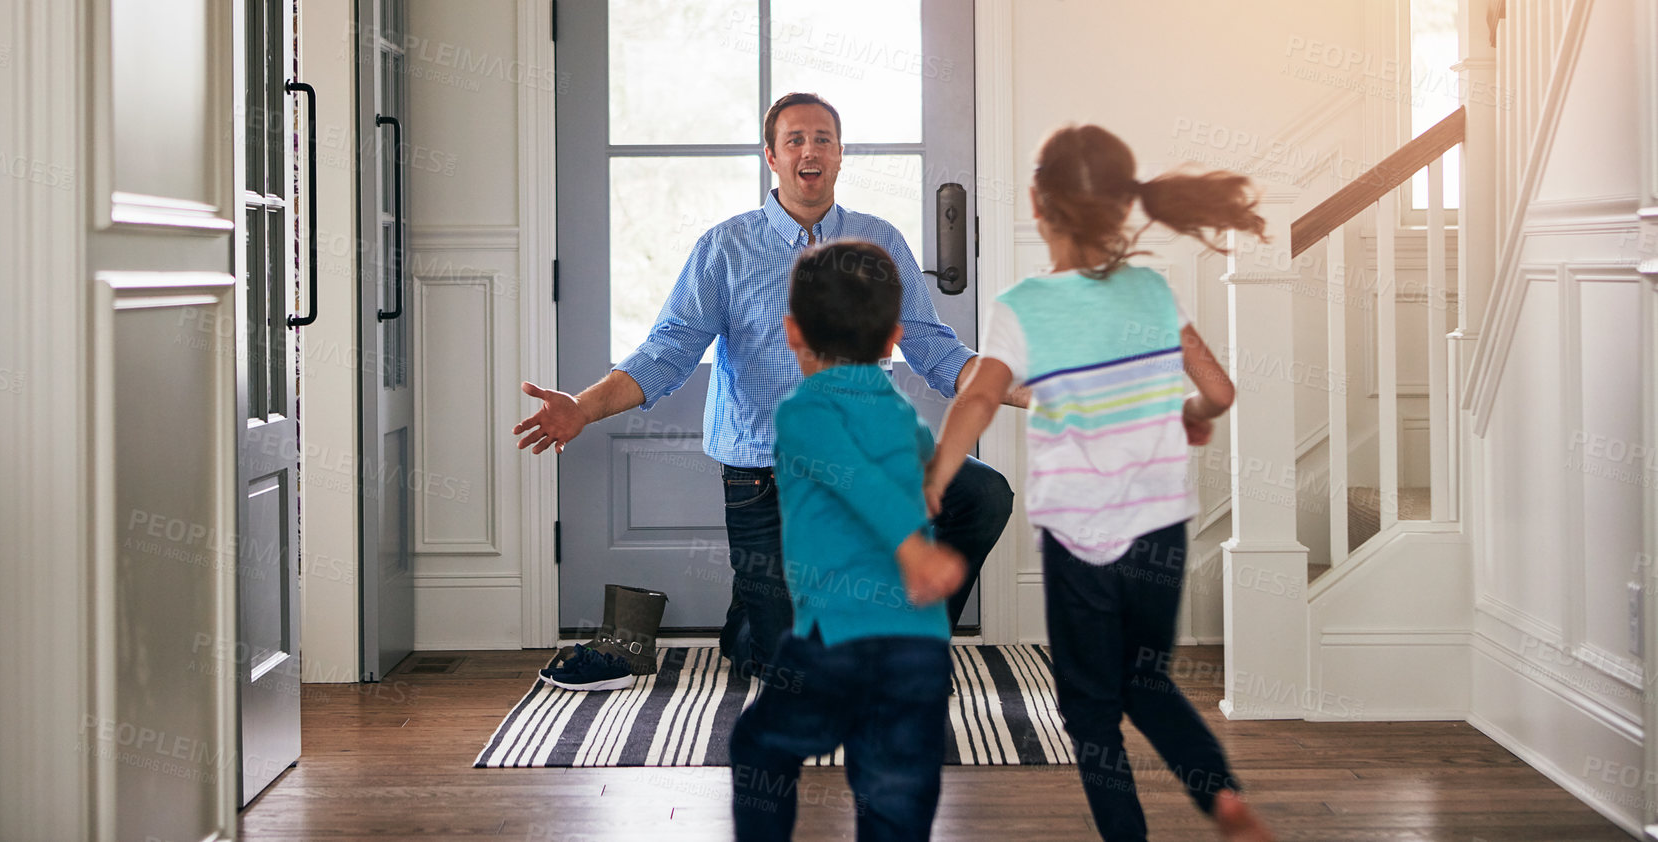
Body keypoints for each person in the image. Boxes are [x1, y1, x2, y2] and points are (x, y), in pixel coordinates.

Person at [515, 92, 1021, 679]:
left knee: (981, 494)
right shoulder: (725, 247)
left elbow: (933, 347)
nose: (811, 150)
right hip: (766, 477)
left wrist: (1020, 387)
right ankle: (754, 619)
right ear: (772, 157)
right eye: (795, 140)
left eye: (823, 139)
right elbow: (668, 352)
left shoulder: (879, 241)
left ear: (839, 156)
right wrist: (581, 407)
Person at [924, 124, 1277, 842]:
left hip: (1081, 536)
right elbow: (1220, 388)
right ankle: (1224, 801)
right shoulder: (1151, 290)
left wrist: (937, 477)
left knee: (1090, 709)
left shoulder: (1022, 306)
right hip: (1160, 527)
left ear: (1037, 202)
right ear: (1123, 208)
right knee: (1146, 680)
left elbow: (981, 396)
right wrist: (1193, 414)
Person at [730, 239, 966, 841]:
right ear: (894, 338)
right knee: (895, 800)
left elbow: (857, 480)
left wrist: (912, 548)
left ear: (790, 331)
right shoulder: (902, 414)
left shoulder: (802, 411)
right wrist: (931, 483)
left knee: (759, 747)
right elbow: (904, 478)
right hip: (921, 649)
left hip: (837, 640)